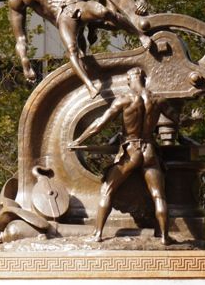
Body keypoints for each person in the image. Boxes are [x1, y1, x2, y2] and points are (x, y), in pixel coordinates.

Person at [22, 0, 146, 99]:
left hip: (76, 6)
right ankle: (90, 86)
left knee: (105, 12)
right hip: (64, 17)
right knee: (72, 50)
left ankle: (140, 35)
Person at [68, 67, 169, 243]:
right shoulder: (158, 99)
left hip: (131, 151)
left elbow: (100, 124)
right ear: (144, 79)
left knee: (107, 190)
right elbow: (177, 120)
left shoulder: (125, 99)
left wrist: (78, 140)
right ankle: (165, 237)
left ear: (129, 80)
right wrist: (195, 118)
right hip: (150, 151)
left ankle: (98, 234)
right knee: (158, 195)